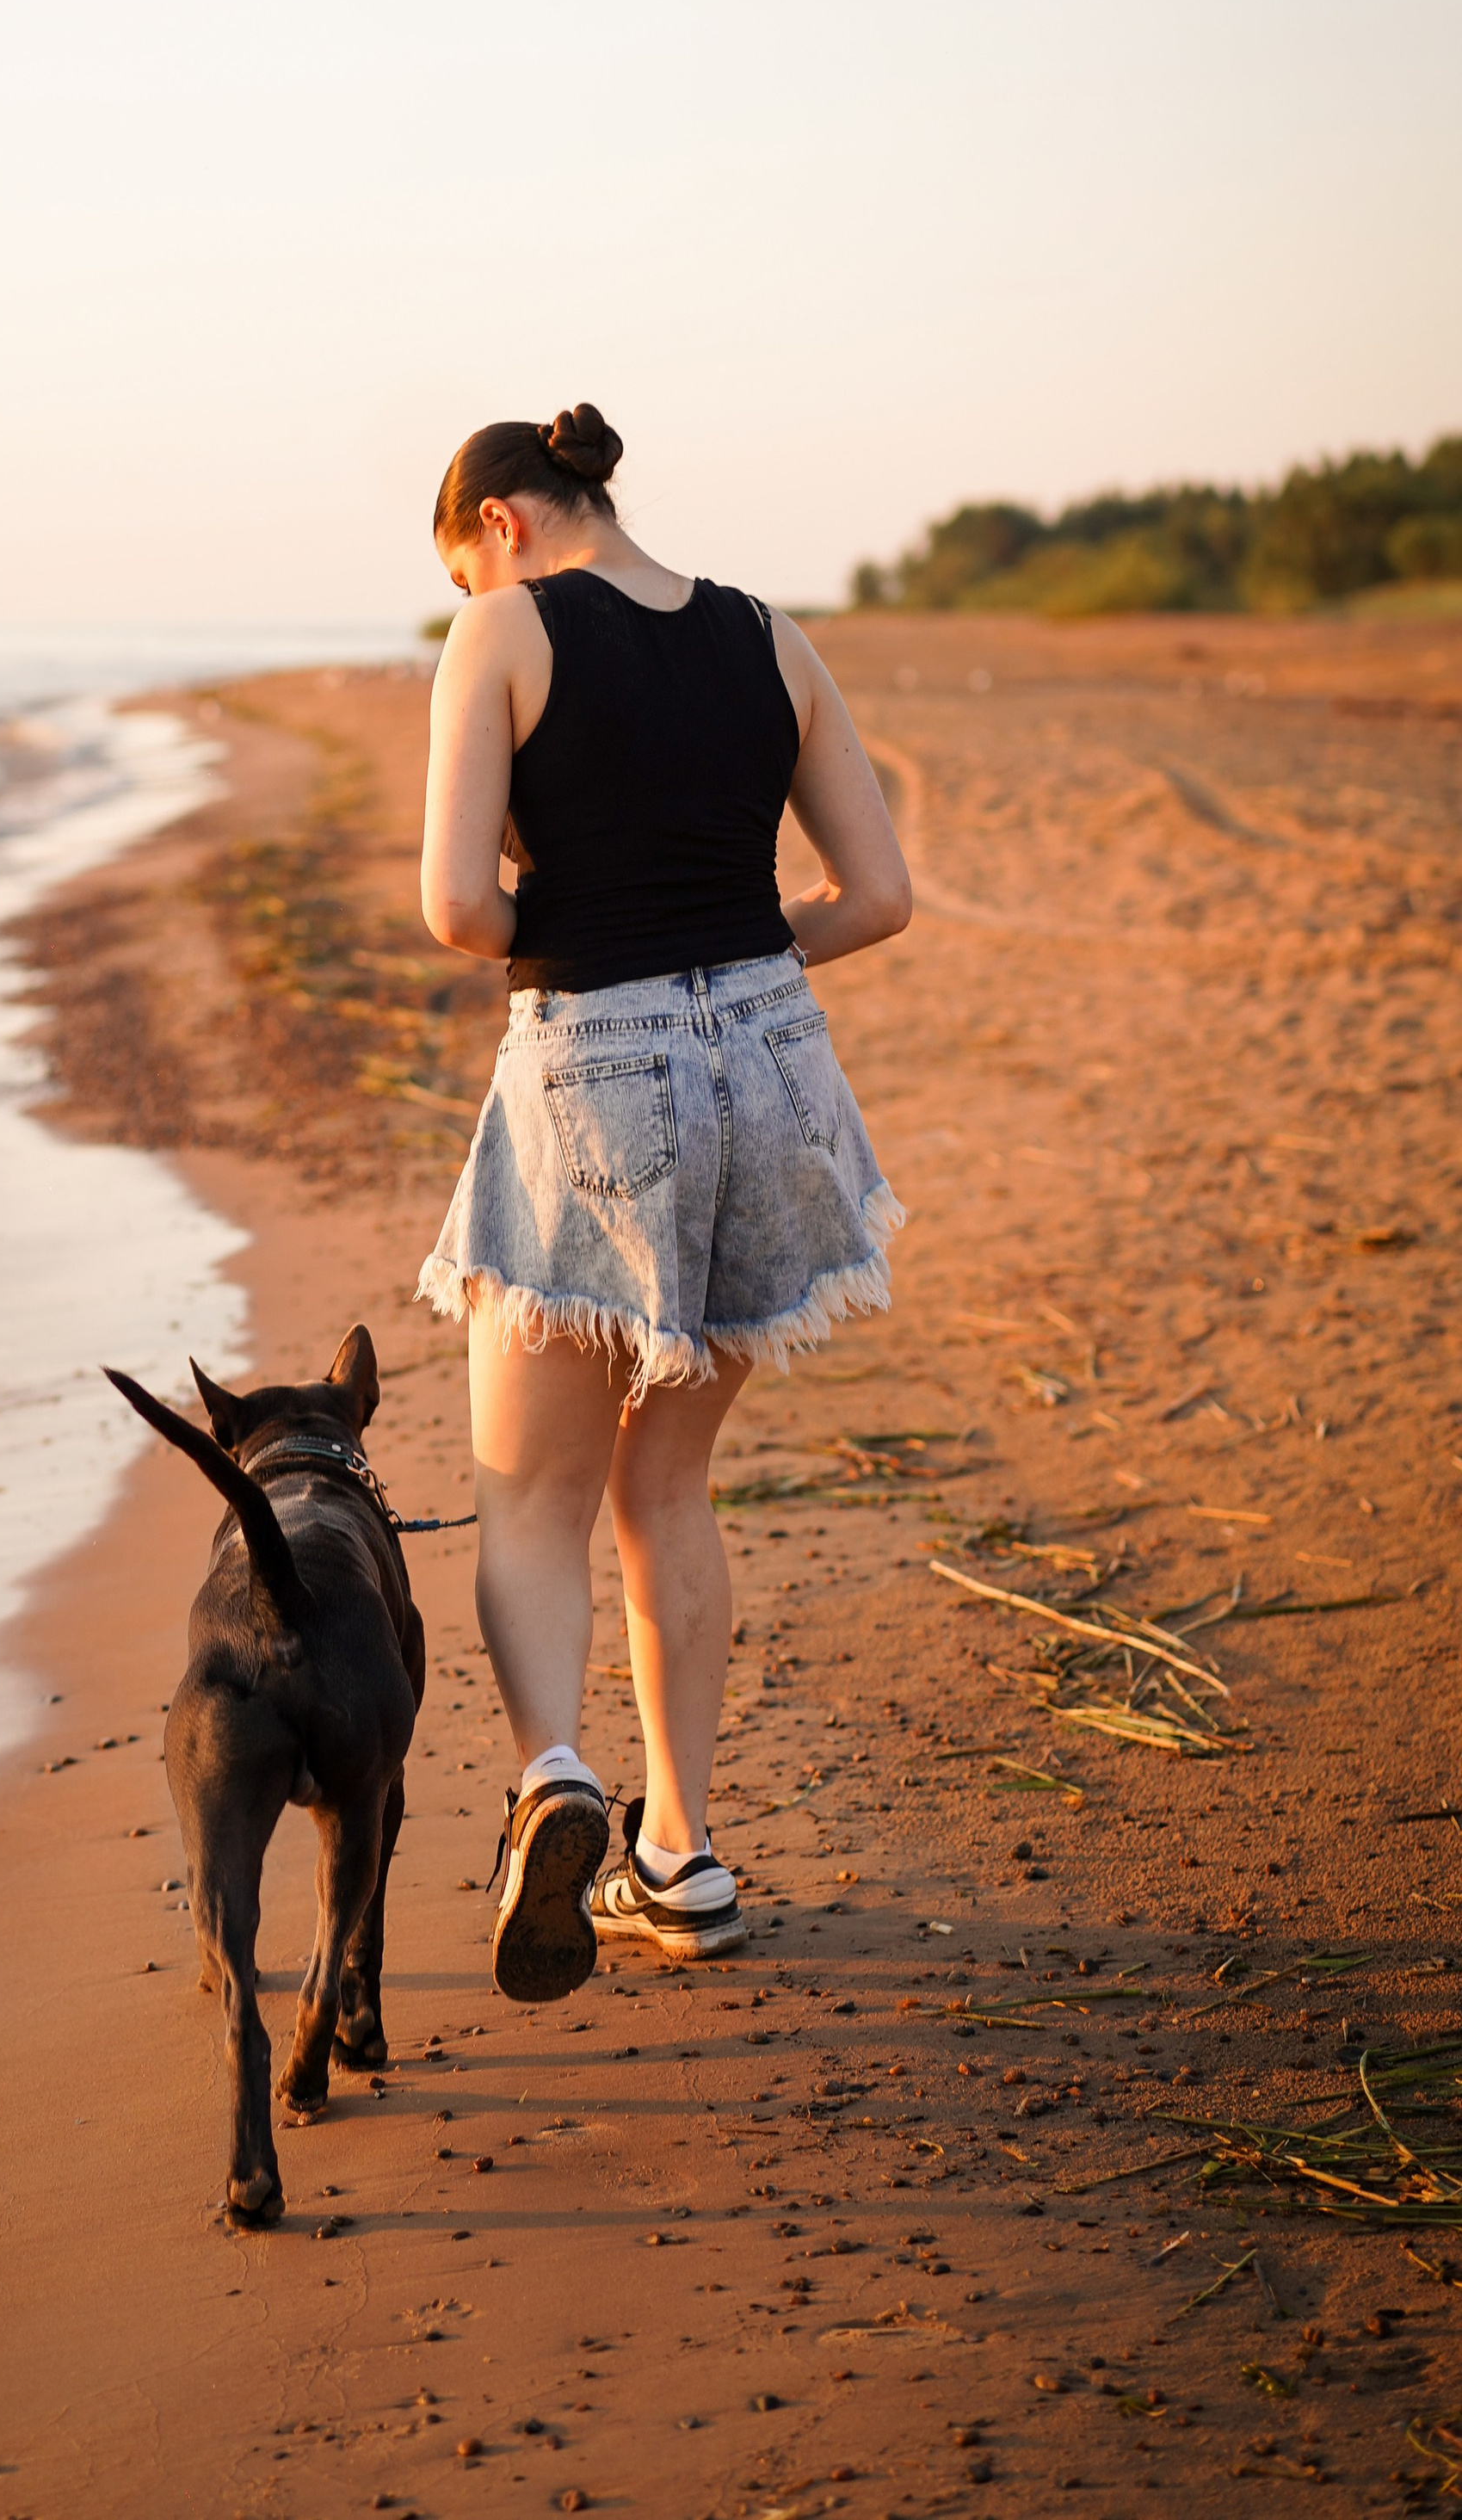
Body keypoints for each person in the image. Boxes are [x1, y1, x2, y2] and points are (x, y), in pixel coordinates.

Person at [416, 405, 911, 2003]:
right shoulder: (772, 636)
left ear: (500, 523)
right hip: (774, 1063)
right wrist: (740, 956)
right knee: (666, 1488)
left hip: (596, 1070)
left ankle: (555, 1778)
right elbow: (879, 896)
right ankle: (682, 1858)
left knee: (533, 1490)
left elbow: (456, 907)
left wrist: (577, 924)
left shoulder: (498, 629)